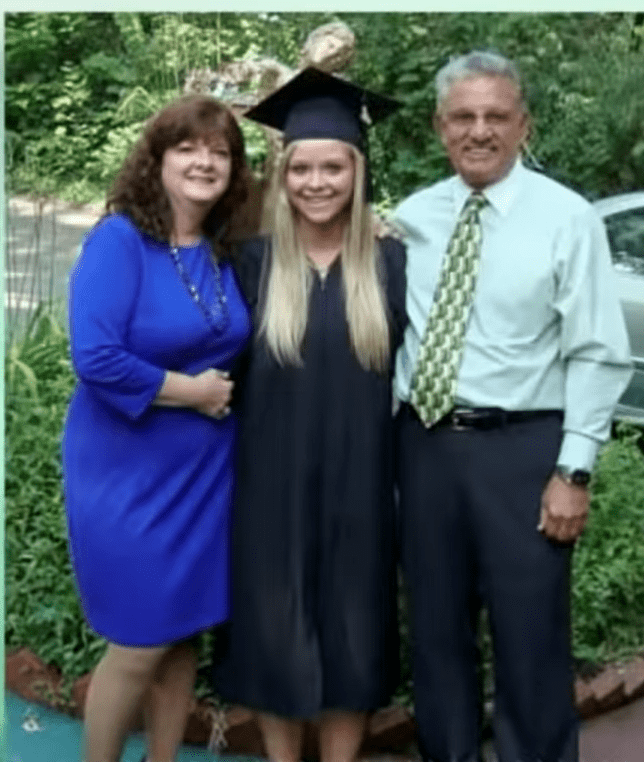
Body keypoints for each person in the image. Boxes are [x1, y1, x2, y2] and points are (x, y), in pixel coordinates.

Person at [392, 51, 634, 762]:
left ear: (522, 125)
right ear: (440, 127)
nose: (478, 130)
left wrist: (574, 470)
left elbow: (596, 351)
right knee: (435, 632)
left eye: (495, 116)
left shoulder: (566, 219)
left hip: (521, 450)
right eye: (462, 117)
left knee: (530, 635)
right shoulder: (413, 218)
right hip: (424, 443)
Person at [212, 67, 405, 762]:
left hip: (362, 493)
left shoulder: (390, 264)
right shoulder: (248, 265)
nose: (317, 182)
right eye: (302, 168)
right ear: (282, 173)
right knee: (274, 641)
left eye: (333, 167)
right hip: (270, 492)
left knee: (353, 642)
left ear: (357, 173)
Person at [62, 95, 254, 762]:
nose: (205, 161)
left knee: (182, 635)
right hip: (124, 468)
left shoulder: (227, 247)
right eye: (188, 147)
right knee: (140, 640)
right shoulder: (120, 239)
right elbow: (95, 357)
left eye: (220, 151)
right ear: (158, 158)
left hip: (201, 473)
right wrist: (193, 391)